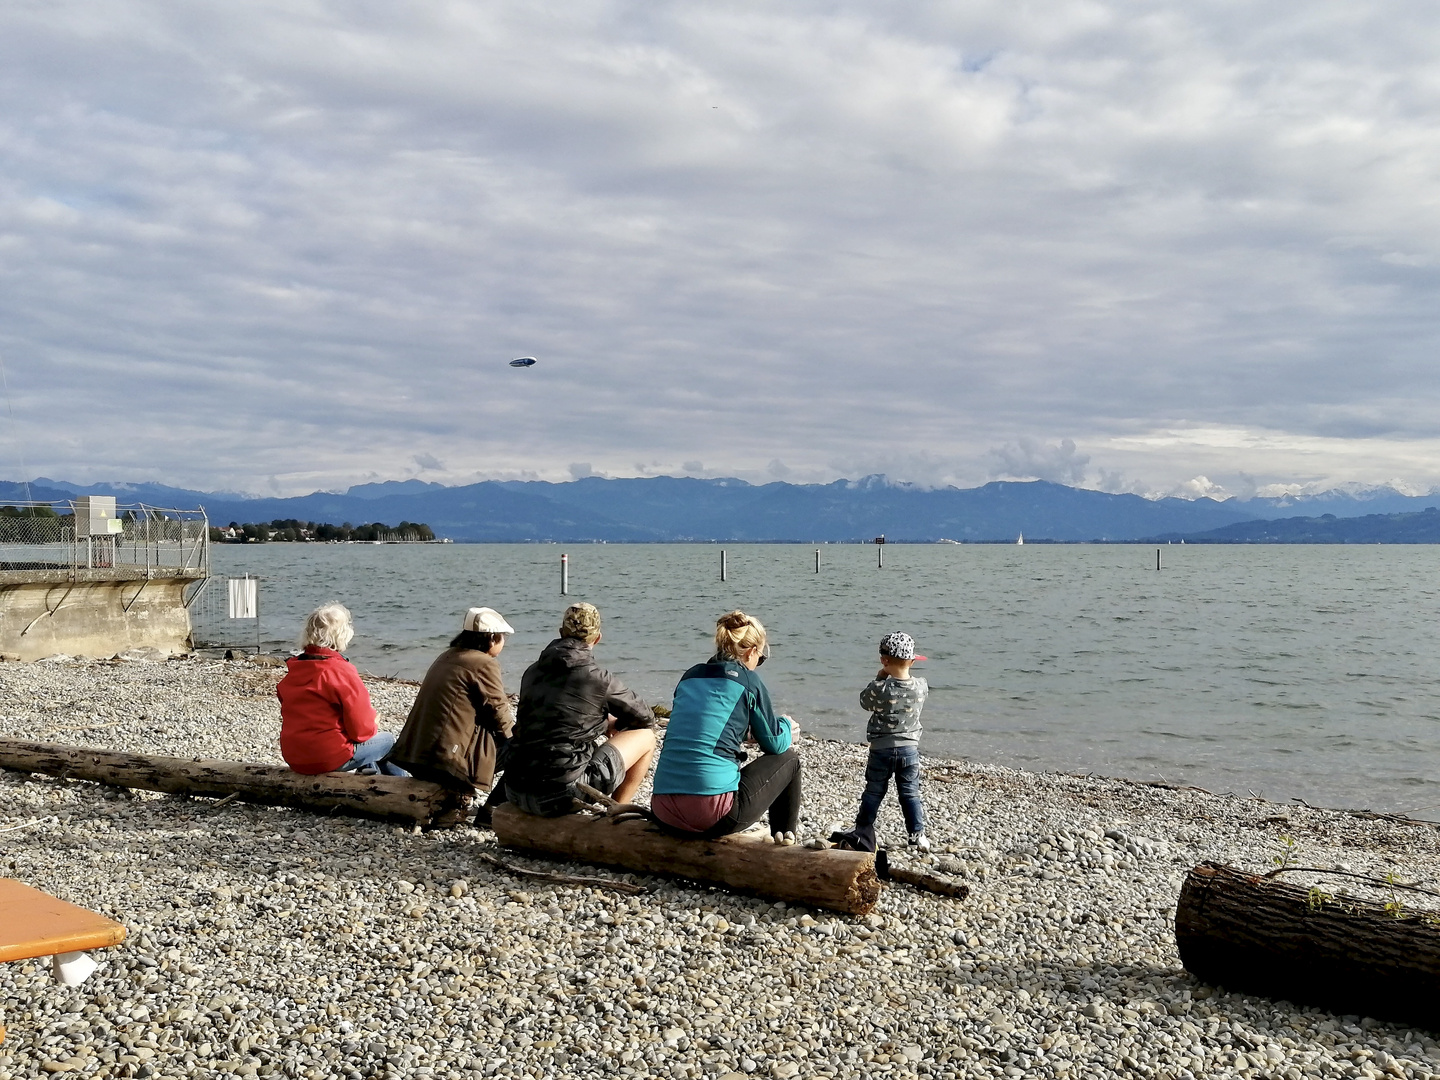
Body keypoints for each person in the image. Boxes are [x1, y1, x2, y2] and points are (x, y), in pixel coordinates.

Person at [650, 610, 803, 844]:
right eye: (760, 658)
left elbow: (704, 727)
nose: (757, 664)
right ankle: (784, 840)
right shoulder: (748, 681)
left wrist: (743, 733)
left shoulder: (689, 677)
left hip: (662, 810)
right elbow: (774, 743)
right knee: (790, 758)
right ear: (752, 652)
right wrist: (786, 726)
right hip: (710, 814)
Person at [502, 602, 656, 816]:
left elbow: (557, 718)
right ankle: (617, 812)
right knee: (646, 737)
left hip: (516, 789)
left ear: (560, 633)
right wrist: (613, 723)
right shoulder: (598, 679)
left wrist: (602, 722)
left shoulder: (532, 672)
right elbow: (646, 717)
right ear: (597, 638)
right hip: (561, 794)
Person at [388, 607, 516, 799]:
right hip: (446, 761)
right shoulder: (484, 663)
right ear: (491, 638)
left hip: (416, 755)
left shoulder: (447, 656)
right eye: (503, 636)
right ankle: (491, 810)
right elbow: (497, 709)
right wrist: (514, 738)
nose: (504, 642)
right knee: (527, 748)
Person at [276, 603, 409, 776]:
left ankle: (370, 775)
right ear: (341, 635)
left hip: (295, 756)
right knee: (388, 741)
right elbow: (361, 731)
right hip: (327, 757)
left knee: (365, 747)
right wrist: (373, 724)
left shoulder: (295, 670)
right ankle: (400, 793)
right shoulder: (340, 671)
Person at [836, 631, 930, 853]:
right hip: (909, 749)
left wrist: (879, 677)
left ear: (884, 660)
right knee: (910, 792)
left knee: (874, 791)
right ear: (912, 661)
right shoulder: (921, 686)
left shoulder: (881, 689)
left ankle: (863, 828)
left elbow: (864, 702)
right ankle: (917, 835)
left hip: (881, 750)